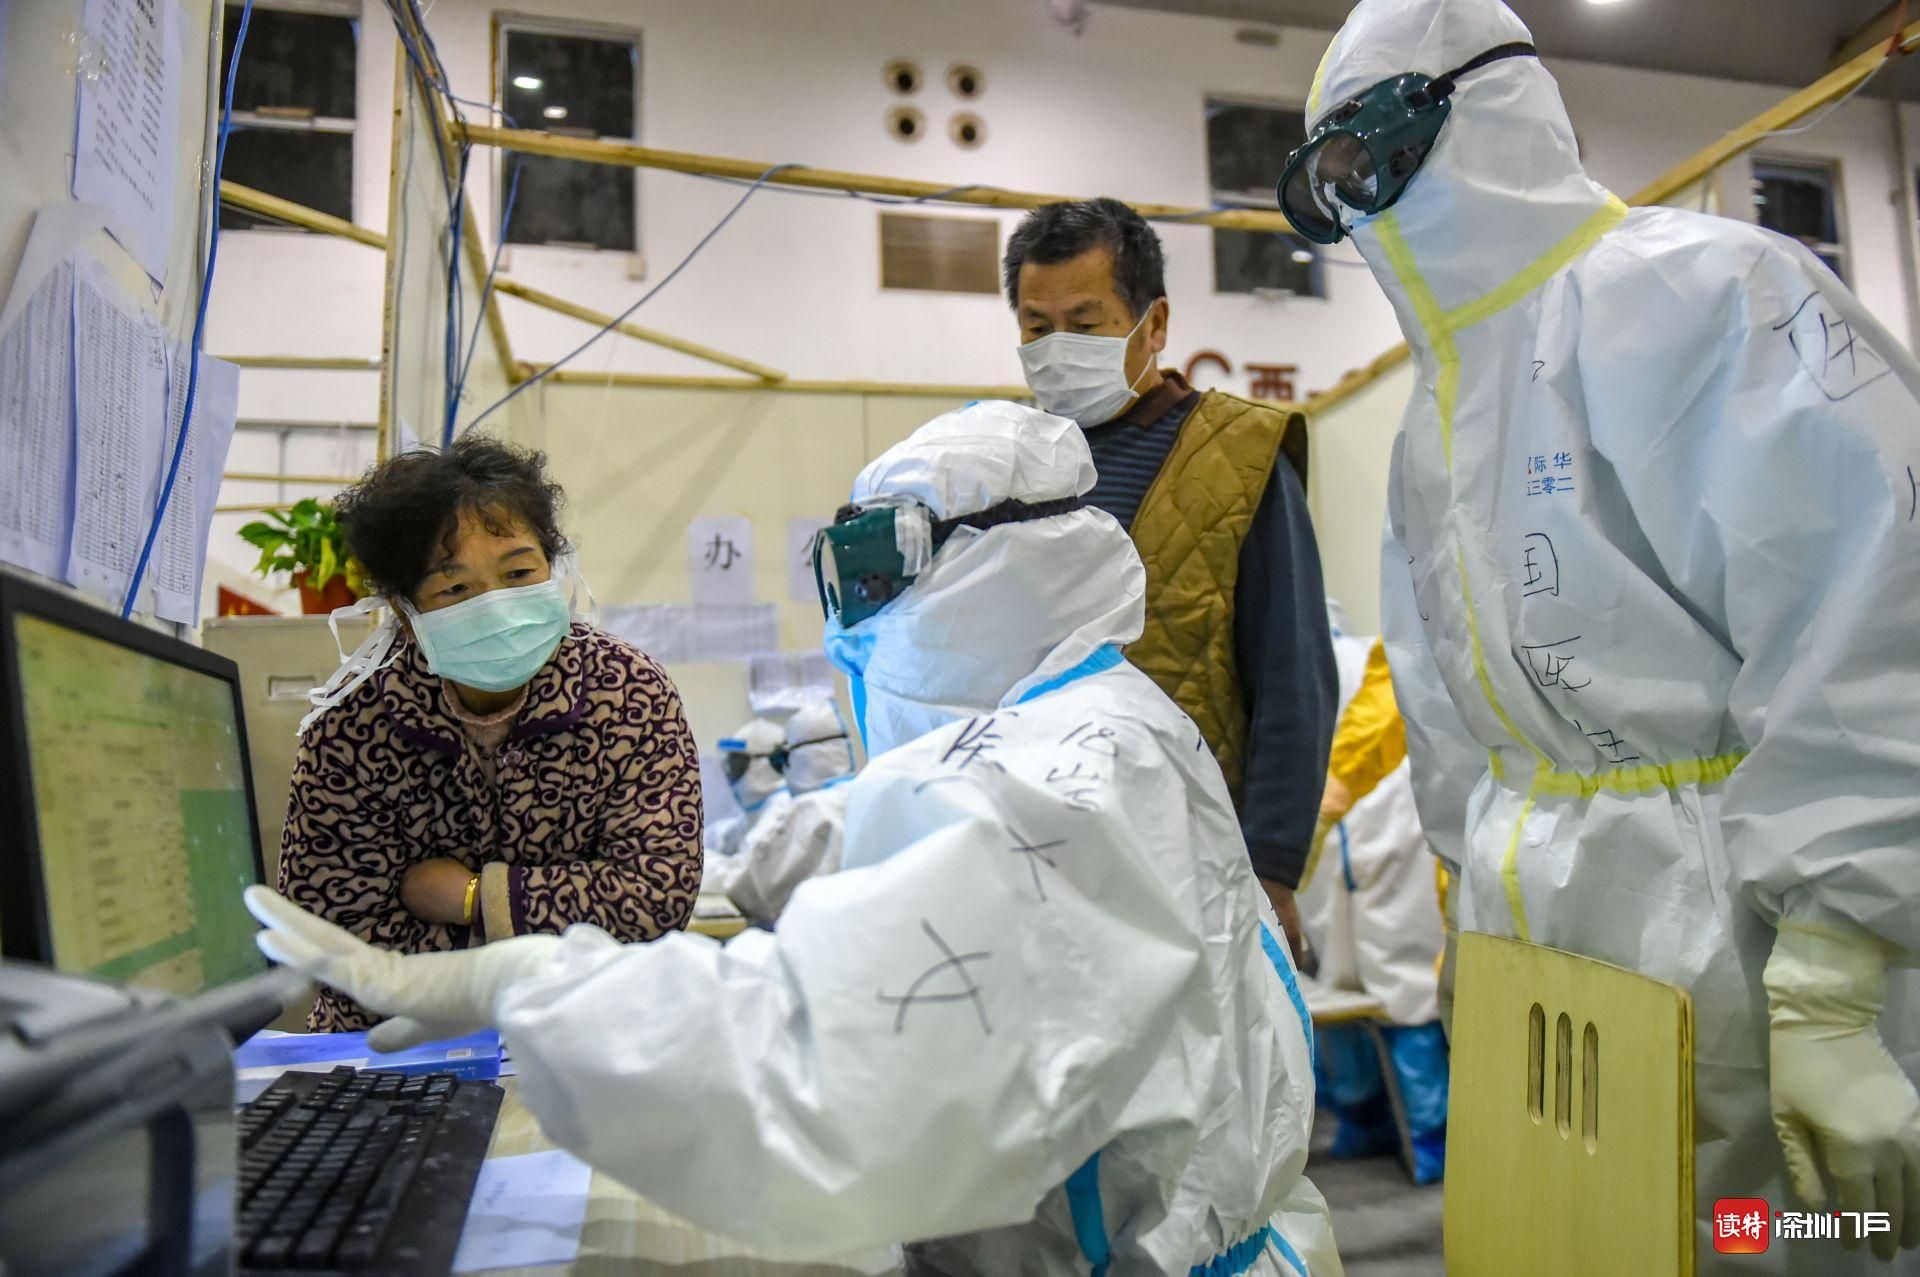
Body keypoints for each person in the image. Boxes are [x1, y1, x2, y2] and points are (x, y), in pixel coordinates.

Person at [244, 401, 1341, 1274]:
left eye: (877, 569)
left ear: (1001, 565)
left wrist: (538, 982)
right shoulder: (1088, 710)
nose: (853, 612)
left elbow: (815, 1065)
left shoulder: (1065, 776)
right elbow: (892, 826)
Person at [1291, 0, 1920, 1268]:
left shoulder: (1706, 293)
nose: (1360, 202)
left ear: (1477, 110)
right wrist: (1474, 917)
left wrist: (1833, 968)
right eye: (1332, 182)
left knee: (1789, 1237)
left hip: (1758, 932)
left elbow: (1871, 614)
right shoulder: (1438, 417)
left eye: (1370, 156)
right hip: (1560, 959)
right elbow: (1447, 717)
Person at [279, 436, 702, 1032]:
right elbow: (334, 935)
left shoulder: (629, 693)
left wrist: (474, 898)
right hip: (396, 1046)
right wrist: (547, 941)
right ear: (405, 612)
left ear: (554, 567)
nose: (498, 607)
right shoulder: (352, 722)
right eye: (455, 589)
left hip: (587, 1035)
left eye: (519, 573)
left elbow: (655, 898)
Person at [1004, 198, 1338, 952]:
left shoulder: (1238, 456)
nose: (1058, 348)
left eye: (1084, 325)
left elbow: (1294, 673)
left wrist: (1273, 866)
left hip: (1193, 853)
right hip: (1039, 849)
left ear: (1153, 324)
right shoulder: (1010, 463)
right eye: (1037, 328)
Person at [1298, 603, 1447, 1183]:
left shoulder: (1319, 657)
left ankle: (1416, 1134)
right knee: (1383, 983)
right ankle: (1406, 1130)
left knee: (1385, 984)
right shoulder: (1358, 652)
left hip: (1361, 825)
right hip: (1373, 824)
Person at [723, 698, 857, 925]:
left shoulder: (813, 809)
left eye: (782, 759)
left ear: (796, 757)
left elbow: (752, 891)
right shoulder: (861, 792)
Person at [701, 715, 787, 866]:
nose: (729, 773)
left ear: (770, 763)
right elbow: (723, 836)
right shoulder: (756, 811)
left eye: (736, 763)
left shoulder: (781, 811)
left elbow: (745, 872)